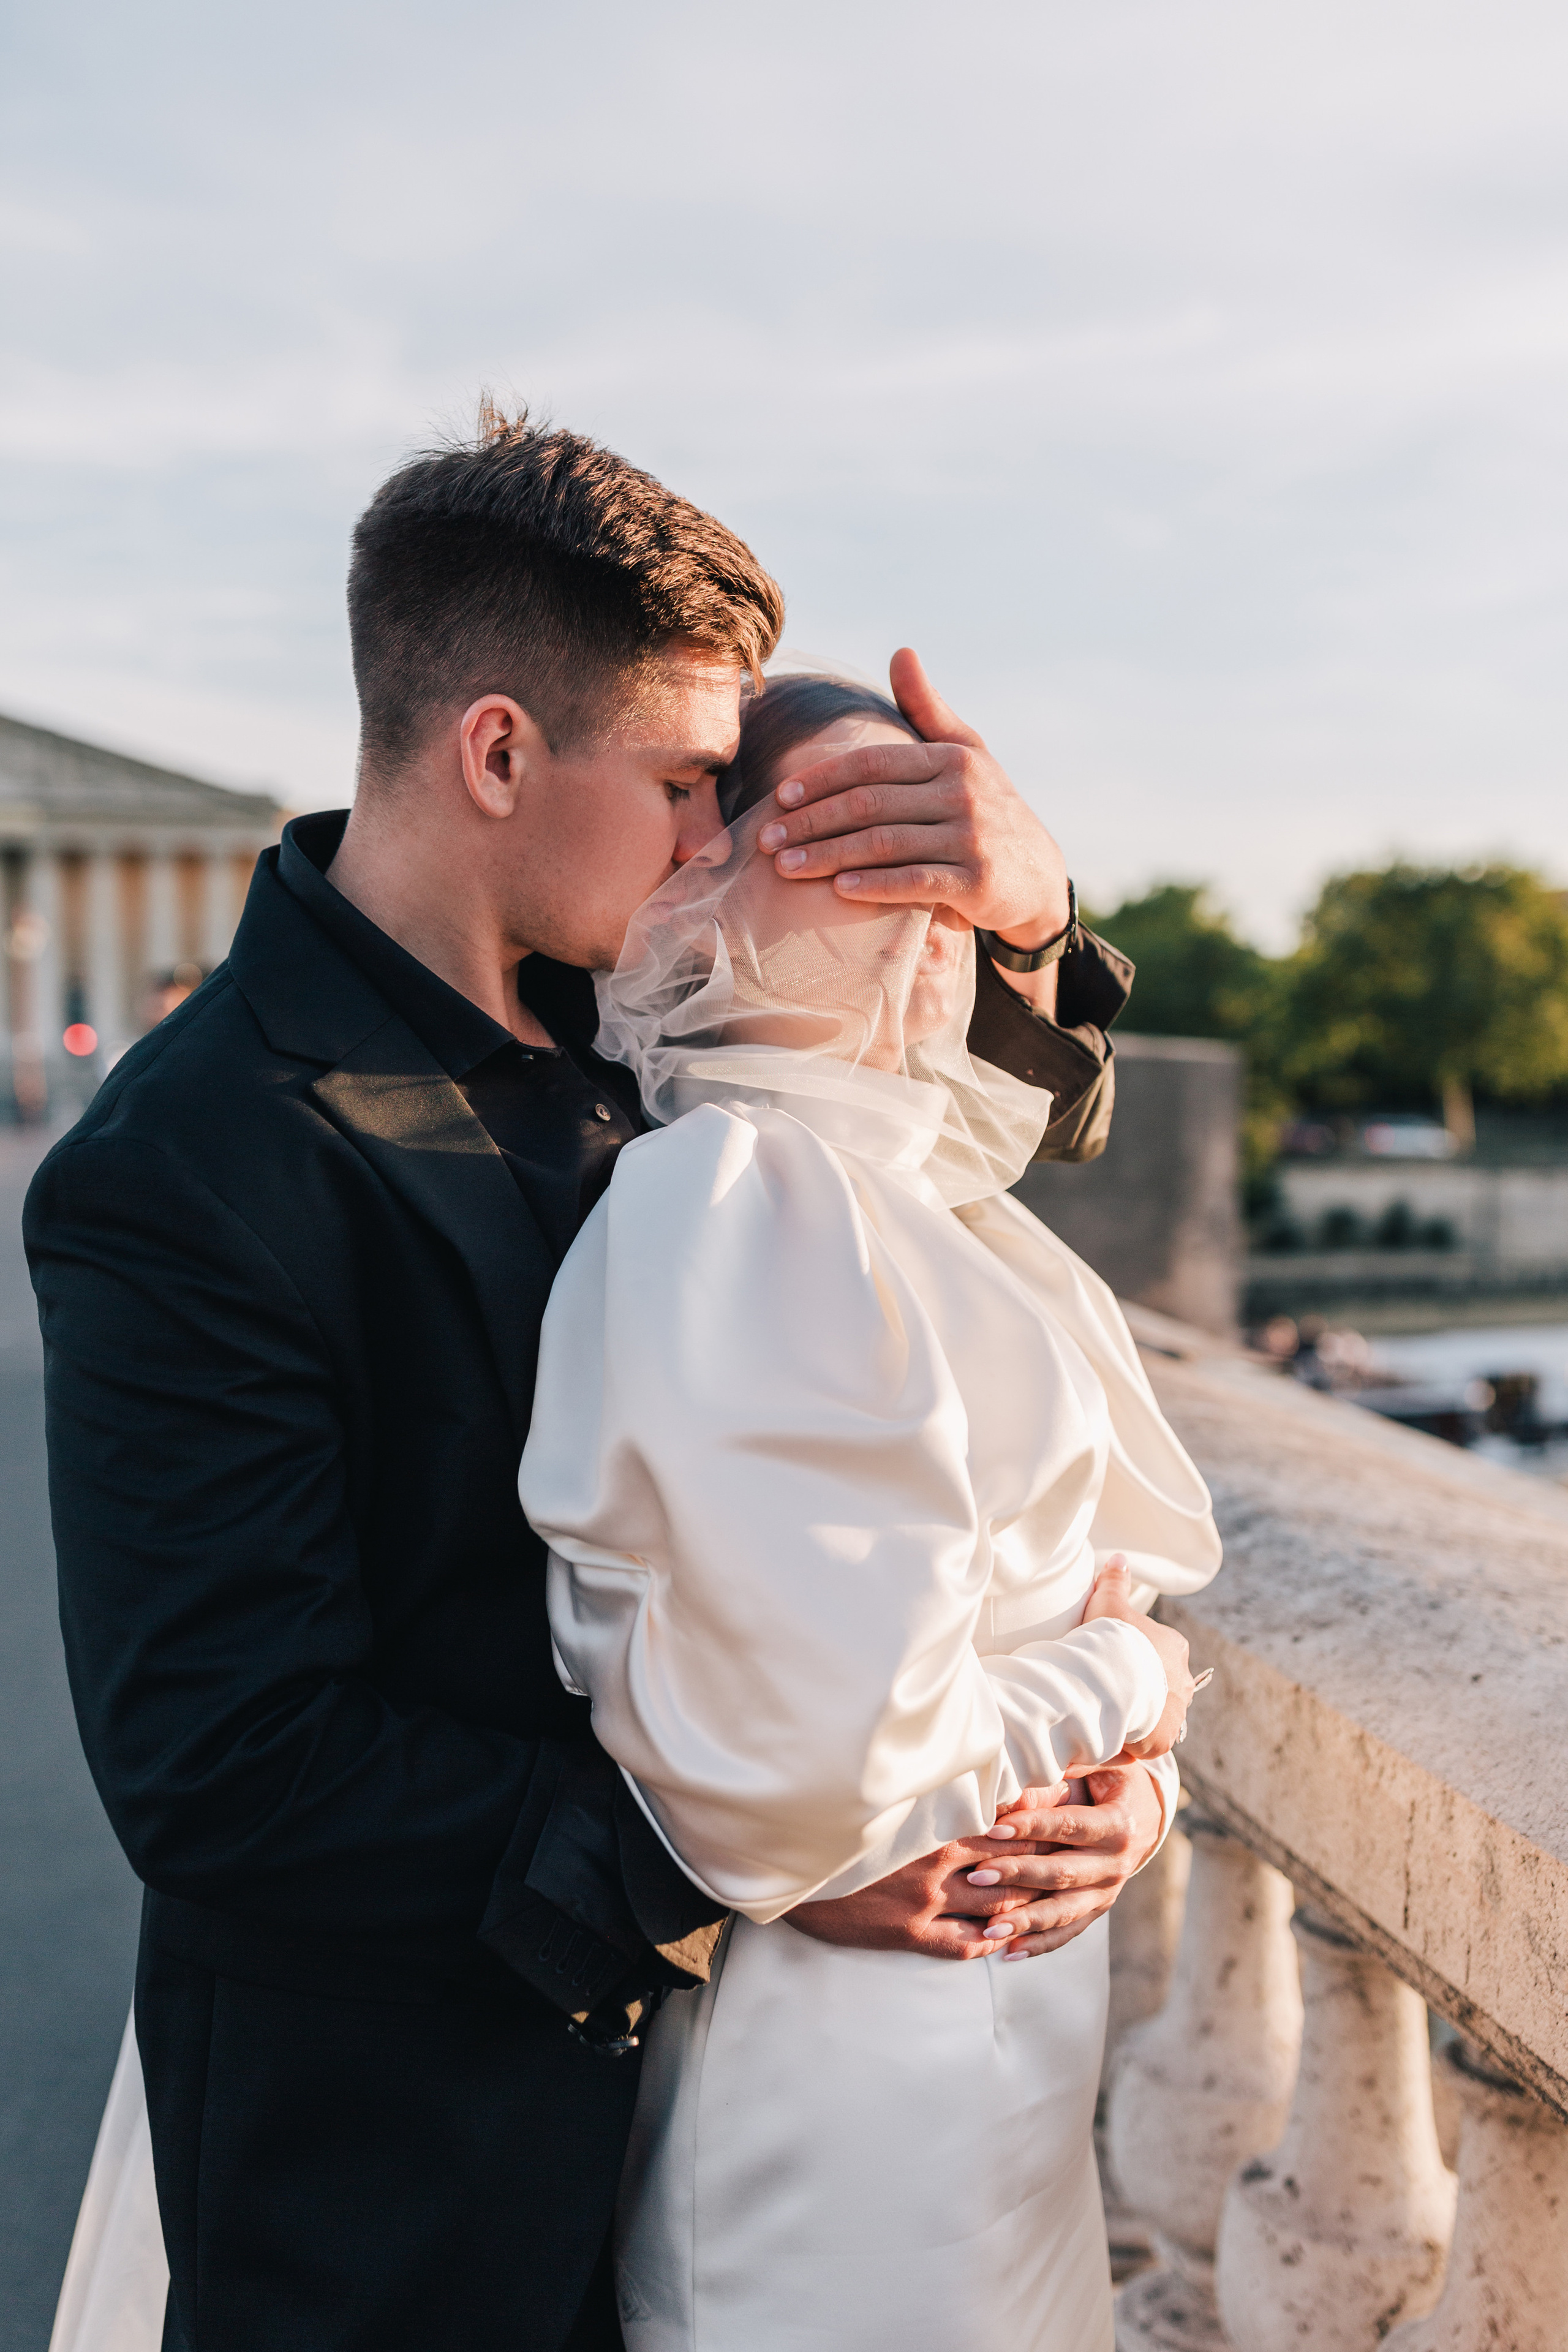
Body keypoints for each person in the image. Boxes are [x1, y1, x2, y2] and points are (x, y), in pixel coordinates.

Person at [29, 406, 1149, 2352]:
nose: (728, 841)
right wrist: (766, 1858)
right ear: (494, 753)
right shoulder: (183, 1166)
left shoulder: (658, 1013)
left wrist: (1035, 919)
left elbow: (958, 1162)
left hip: (749, 2147)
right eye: (692, 783)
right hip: (409, 2196)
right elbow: (226, 1768)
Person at [521, 677, 1221, 2350]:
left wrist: (1136, 1791)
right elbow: (827, 1786)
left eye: (937, 829)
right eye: (840, 826)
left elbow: (1045, 1602)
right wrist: (1136, 1684)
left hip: (1014, 2052)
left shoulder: (930, 1189)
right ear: (693, 882)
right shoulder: (732, 1197)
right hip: (858, 2087)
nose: (918, 875)